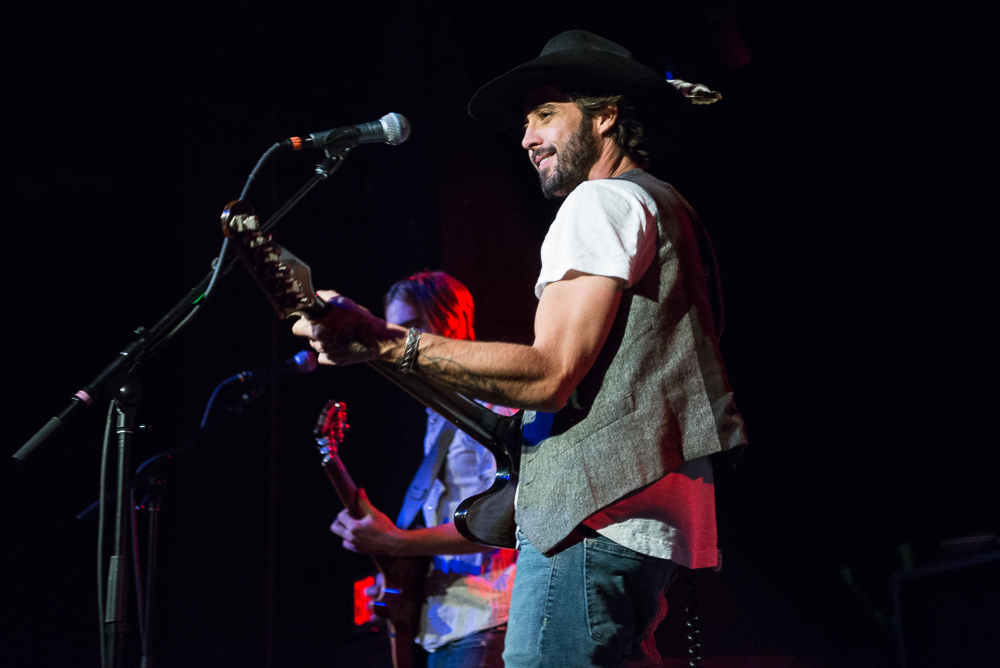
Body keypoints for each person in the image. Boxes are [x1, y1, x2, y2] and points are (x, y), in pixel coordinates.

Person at [295, 30, 747, 668]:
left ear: (605, 115)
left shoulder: (599, 201)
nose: (528, 137)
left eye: (545, 115)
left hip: (589, 521)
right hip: (648, 516)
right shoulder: (664, 205)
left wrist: (386, 339)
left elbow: (549, 376)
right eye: (527, 121)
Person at [331, 271, 516, 668]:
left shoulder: (490, 401)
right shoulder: (439, 412)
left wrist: (396, 541)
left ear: (450, 322)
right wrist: (396, 566)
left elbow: (500, 524)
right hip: (445, 626)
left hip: (484, 618)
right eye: (393, 329)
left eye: (412, 327)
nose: (398, 341)